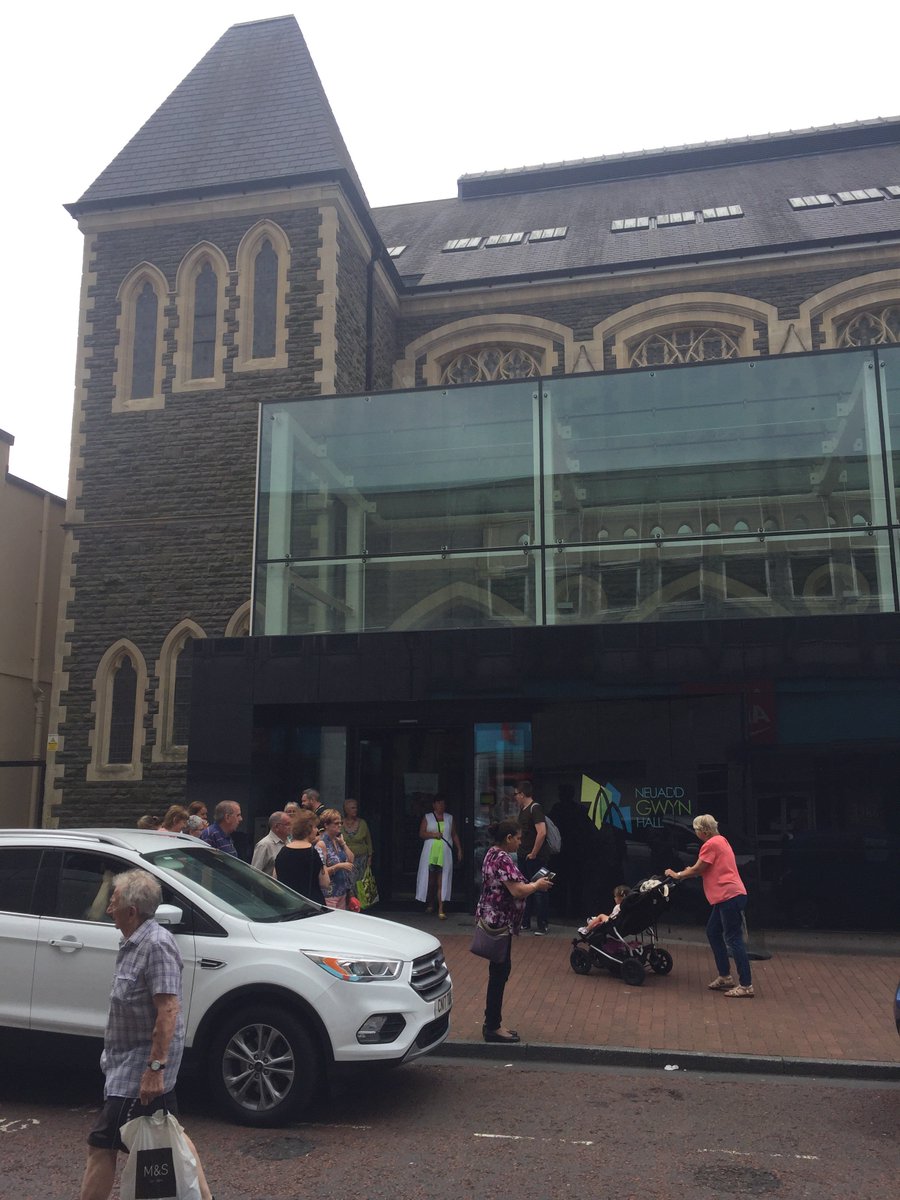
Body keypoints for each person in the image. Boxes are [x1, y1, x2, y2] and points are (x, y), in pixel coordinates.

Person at [78, 869, 212, 1200]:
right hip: (127, 1064)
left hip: (140, 1069)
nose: (109, 908)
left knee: (102, 1144)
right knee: (172, 1135)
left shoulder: (156, 945)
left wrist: (155, 1070)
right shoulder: (133, 943)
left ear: (131, 911)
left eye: (113, 902)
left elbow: (168, 1010)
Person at [476, 819, 553, 1044]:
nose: (520, 842)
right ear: (508, 838)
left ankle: (493, 1022)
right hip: (500, 921)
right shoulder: (502, 858)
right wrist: (537, 886)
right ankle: (493, 1026)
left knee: (498, 970)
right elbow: (518, 890)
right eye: (518, 838)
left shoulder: (490, 853)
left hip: (491, 917)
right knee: (500, 972)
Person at [666, 813, 754, 998]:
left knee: (733, 939)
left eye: (696, 829)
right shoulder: (722, 841)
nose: (695, 832)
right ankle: (725, 976)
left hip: (728, 896)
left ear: (703, 831)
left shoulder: (710, 844)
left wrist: (678, 875)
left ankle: (746, 985)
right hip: (728, 896)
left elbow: (699, 868)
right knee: (713, 932)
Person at [415, 796, 462, 920]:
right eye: (439, 803)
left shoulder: (449, 818)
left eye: (443, 803)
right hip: (430, 853)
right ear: (434, 805)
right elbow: (421, 833)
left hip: (444, 853)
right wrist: (433, 834)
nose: (442, 806)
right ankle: (431, 902)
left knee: (442, 880)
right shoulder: (428, 817)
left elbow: (454, 834)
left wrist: (459, 849)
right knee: (430, 881)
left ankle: (441, 908)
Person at [515, 782, 550, 933]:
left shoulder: (535, 808)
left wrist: (534, 852)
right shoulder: (522, 809)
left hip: (535, 856)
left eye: (516, 794)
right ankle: (525, 921)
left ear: (522, 794)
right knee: (525, 888)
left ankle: (542, 924)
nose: (515, 797)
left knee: (539, 889)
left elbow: (542, 832)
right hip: (523, 854)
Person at [275, 809, 329, 904]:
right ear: (309, 829)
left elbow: (275, 879)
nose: (317, 830)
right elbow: (325, 883)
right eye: (315, 827)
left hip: (287, 903)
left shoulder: (282, 852)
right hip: (311, 904)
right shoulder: (313, 853)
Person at [317, 808, 355, 909]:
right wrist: (338, 866)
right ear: (326, 825)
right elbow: (320, 872)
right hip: (329, 893)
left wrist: (343, 843)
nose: (339, 825)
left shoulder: (337, 840)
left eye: (340, 823)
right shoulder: (322, 843)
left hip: (342, 891)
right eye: (336, 823)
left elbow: (351, 859)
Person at [342, 798, 374, 894]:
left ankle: (358, 904)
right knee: (349, 882)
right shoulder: (339, 823)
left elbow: (369, 841)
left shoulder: (362, 823)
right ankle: (350, 903)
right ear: (346, 810)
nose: (355, 810)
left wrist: (370, 857)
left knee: (360, 883)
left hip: (361, 859)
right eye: (352, 808)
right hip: (346, 859)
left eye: (356, 808)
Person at [251, 811, 292, 876]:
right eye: (287, 824)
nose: (291, 826)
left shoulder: (289, 842)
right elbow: (255, 873)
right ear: (276, 827)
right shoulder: (264, 845)